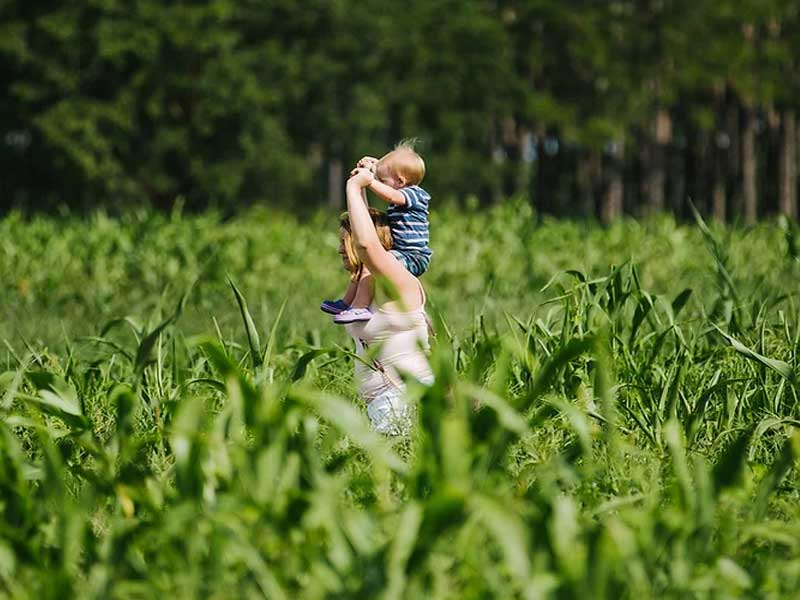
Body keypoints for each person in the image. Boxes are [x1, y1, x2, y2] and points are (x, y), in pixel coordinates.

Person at [335, 167, 434, 435]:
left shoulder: (398, 280)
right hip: (383, 404)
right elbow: (366, 238)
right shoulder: (364, 284)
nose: (341, 249)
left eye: (347, 242)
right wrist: (363, 186)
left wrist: (355, 187)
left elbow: (367, 245)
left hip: (405, 398)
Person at [321, 140, 432, 324]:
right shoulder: (400, 187)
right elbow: (387, 179)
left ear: (401, 181)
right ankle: (347, 302)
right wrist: (372, 168)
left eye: (383, 180)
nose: (378, 183)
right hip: (400, 252)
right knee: (364, 266)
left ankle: (359, 307)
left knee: (368, 265)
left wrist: (369, 181)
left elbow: (390, 194)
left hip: (413, 256)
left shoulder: (415, 194)